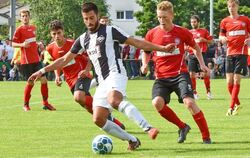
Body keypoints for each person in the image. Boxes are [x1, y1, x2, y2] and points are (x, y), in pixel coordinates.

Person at [28, 2, 181, 151]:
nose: (89, 21)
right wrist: (41, 71)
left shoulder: (110, 30)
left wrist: (162, 48)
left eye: (92, 18)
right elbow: (63, 60)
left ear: (97, 16)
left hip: (116, 73)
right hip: (102, 81)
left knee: (114, 100)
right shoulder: (83, 39)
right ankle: (132, 140)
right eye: (86, 18)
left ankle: (148, 127)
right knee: (98, 119)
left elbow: (137, 43)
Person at [141, 1, 211, 144]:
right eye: (159, 17)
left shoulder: (182, 32)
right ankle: (182, 127)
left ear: (172, 15)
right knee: (157, 103)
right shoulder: (152, 33)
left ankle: (206, 137)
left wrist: (202, 64)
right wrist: (144, 64)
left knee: (190, 103)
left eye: (165, 17)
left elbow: (196, 48)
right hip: (161, 77)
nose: (162, 20)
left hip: (180, 75)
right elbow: (146, 51)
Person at [46, 19, 125, 129]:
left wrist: (87, 70)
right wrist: (57, 76)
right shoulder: (50, 48)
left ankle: (107, 114)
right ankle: (113, 121)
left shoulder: (74, 44)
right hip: (70, 80)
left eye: (59, 33)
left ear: (63, 32)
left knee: (78, 97)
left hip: (82, 74)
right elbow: (57, 62)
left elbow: (91, 57)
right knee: (87, 106)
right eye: (54, 34)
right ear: (50, 34)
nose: (57, 36)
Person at [12, 9, 56, 111]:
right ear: (20, 18)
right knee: (31, 82)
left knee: (44, 80)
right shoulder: (19, 30)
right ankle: (26, 105)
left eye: (26, 15)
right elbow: (13, 44)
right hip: (26, 62)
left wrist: (39, 44)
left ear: (29, 17)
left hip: (36, 60)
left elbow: (33, 42)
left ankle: (45, 103)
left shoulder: (33, 28)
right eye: (22, 16)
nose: (24, 17)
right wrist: (22, 44)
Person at [219, 0, 250, 116]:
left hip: (242, 53)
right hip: (229, 53)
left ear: (237, 6)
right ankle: (237, 103)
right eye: (229, 6)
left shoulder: (245, 20)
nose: (231, 8)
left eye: (233, 6)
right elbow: (221, 35)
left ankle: (231, 108)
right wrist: (222, 39)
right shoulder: (224, 21)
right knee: (229, 82)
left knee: (236, 80)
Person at [188, 15, 213, 100]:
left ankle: (208, 92)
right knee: (191, 74)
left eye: (194, 22)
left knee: (205, 73)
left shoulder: (204, 31)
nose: (193, 23)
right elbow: (185, 45)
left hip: (202, 54)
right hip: (192, 55)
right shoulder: (188, 32)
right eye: (191, 22)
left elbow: (211, 41)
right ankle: (194, 93)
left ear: (198, 22)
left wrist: (204, 40)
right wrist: (189, 48)